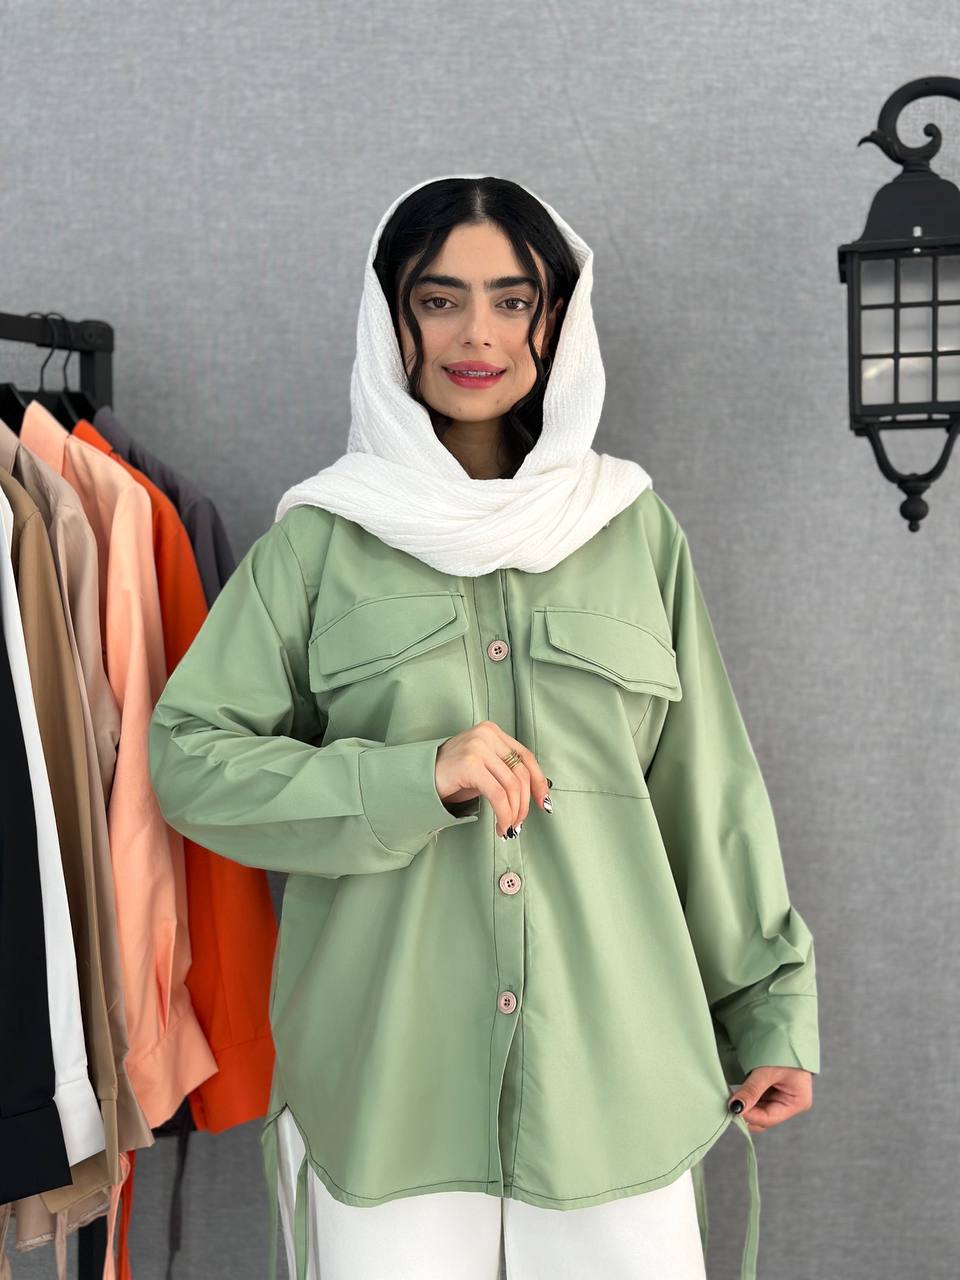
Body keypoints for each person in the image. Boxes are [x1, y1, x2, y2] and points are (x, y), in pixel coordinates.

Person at [148, 174, 820, 1280]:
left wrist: (770, 1012)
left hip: (619, 1083)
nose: (478, 335)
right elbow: (191, 761)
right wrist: (412, 778)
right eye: (440, 299)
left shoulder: (632, 530)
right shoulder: (318, 544)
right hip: (387, 1088)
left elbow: (707, 792)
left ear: (554, 322)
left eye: (512, 301)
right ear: (392, 319)